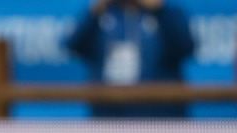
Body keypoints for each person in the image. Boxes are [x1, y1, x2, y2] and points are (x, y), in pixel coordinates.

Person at [66, 0, 195, 118]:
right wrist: (95, 11)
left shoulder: (167, 12)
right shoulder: (102, 13)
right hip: (109, 117)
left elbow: (186, 47)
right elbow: (73, 46)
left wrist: (160, 10)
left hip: (159, 117)